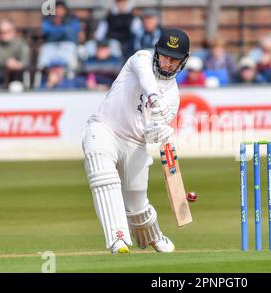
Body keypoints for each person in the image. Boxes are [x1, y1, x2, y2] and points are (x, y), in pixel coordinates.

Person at [82, 28, 190, 254]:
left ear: (183, 62)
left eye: (174, 60)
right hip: (104, 128)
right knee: (100, 168)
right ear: (157, 52)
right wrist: (153, 97)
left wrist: (158, 132)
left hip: (135, 143)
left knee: (137, 204)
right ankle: (117, 238)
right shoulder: (140, 58)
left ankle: (153, 234)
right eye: (165, 56)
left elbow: (150, 135)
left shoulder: (173, 96)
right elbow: (145, 78)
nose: (168, 63)